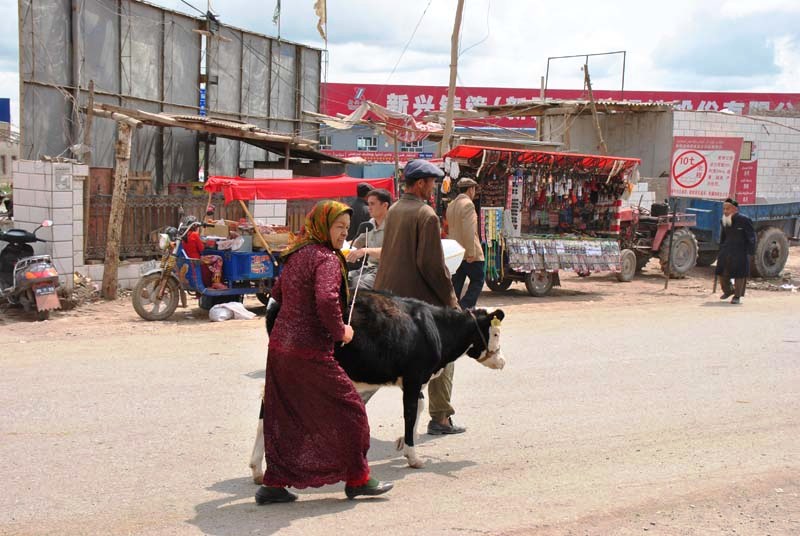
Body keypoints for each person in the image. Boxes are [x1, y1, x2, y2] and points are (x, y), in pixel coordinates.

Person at [256, 200, 393, 505]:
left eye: (347, 228)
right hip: (309, 351)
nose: (344, 233)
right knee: (351, 409)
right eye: (338, 227)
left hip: (280, 349)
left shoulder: (297, 253)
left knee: (286, 416)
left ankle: (274, 483)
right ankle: (358, 479)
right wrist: (341, 331)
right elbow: (326, 300)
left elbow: (277, 293)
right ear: (323, 226)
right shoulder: (327, 259)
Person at [373, 159, 466, 436]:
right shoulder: (426, 215)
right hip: (416, 303)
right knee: (446, 354)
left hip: (389, 296)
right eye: (432, 182)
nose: (433, 187)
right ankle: (441, 418)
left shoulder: (395, 210)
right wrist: (451, 302)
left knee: (378, 366)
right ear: (421, 183)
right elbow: (433, 266)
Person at [446, 177, 485, 309]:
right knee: (478, 280)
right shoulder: (468, 204)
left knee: (456, 285)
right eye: (474, 189)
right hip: (468, 252)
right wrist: (471, 252)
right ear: (470, 189)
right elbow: (469, 230)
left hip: (456, 252)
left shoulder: (451, 206)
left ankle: (453, 309)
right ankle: (464, 307)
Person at [346, 188, 392, 290]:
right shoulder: (370, 222)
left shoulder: (394, 225)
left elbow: (391, 252)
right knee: (343, 277)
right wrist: (338, 247)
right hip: (368, 268)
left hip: (386, 271)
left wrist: (365, 251)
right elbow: (357, 242)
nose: (369, 208)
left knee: (358, 284)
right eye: (368, 204)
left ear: (385, 205)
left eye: (372, 204)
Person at [715, 198, 756, 305]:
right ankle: (728, 291)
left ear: (735, 209)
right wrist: (721, 248)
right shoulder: (723, 220)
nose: (725, 211)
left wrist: (751, 252)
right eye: (724, 209)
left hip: (740, 250)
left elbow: (751, 237)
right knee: (721, 271)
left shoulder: (745, 220)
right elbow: (723, 236)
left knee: (740, 274)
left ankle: (737, 296)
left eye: (727, 209)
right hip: (726, 249)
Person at [181, 216, 226, 290]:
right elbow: (202, 249)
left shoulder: (184, 235)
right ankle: (216, 282)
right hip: (197, 260)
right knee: (219, 258)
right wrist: (205, 243)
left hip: (188, 259)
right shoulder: (194, 234)